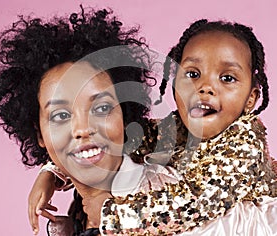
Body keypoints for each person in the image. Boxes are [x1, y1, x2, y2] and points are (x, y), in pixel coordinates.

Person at [28, 19, 277, 235]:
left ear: (251, 98)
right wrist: (52, 171)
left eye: (227, 78)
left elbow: (191, 204)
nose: (205, 88)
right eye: (192, 74)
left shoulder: (244, 145)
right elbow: (122, 137)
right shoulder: (177, 128)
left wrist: (113, 215)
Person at [0, 5, 162, 235]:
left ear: (124, 115)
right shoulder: (80, 209)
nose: (83, 129)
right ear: (39, 135)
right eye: (61, 115)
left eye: (102, 108)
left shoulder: (165, 199)